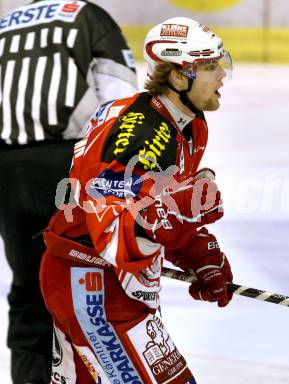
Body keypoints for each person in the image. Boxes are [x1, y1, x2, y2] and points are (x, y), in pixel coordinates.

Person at [39, 16, 234, 383]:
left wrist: (195, 250)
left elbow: (154, 207)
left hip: (102, 281)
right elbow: (111, 221)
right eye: (209, 65)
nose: (221, 74)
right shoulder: (141, 132)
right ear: (178, 76)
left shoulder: (187, 123)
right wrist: (179, 208)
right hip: (91, 284)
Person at [0, 1, 138, 382]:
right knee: (89, 289)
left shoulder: (6, 24)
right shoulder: (86, 15)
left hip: (7, 169)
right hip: (67, 165)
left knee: (29, 289)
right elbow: (122, 101)